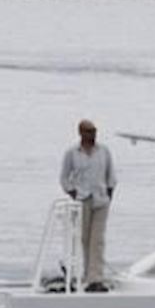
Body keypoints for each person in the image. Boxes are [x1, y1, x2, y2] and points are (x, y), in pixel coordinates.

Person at [59, 119, 117, 291]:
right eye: (89, 131)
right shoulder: (72, 153)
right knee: (84, 238)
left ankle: (95, 276)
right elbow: (64, 177)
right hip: (82, 199)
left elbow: (111, 175)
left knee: (97, 239)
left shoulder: (104, 151)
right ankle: (85, 273)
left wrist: (109, 193)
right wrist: (72, 192)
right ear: (81, 133)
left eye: (94, 131)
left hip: (100, 199)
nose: (93, 134)